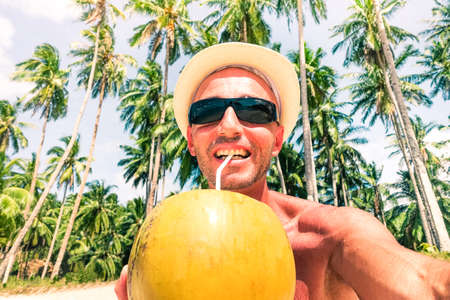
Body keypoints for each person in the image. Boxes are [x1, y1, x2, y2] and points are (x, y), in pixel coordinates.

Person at [115, 42, 450, 299]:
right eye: (208, 111)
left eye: (255, 111)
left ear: (277, 139)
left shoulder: (325, 238)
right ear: (191, 140)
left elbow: (426, 284)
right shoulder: (160, 246)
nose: (229, 126)